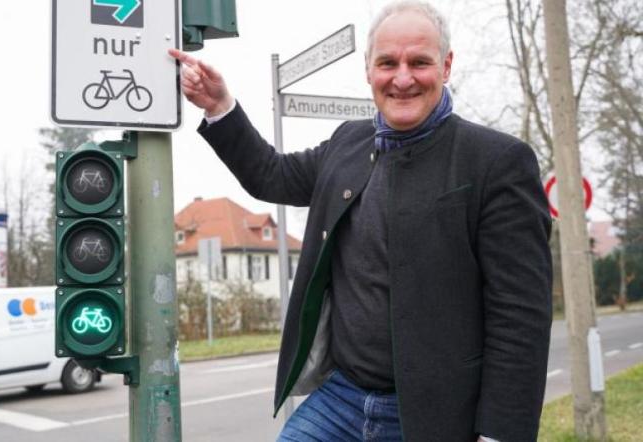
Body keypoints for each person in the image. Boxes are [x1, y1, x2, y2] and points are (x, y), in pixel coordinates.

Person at [169, 1, 552, 441]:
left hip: (437, 414)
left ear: (446, 66)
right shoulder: (348, 143)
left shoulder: (497, 162)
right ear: (368, 70)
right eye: (387, 62)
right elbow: (270, 175)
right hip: (342, 400)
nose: (403, 78)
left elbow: (520, 316)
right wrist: (220, 105)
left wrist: (499, 434)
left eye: (419, 62)